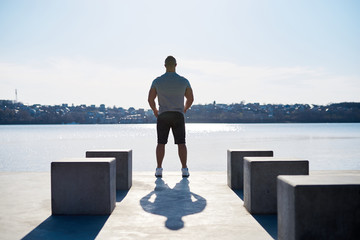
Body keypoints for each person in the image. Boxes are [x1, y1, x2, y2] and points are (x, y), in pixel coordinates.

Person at [148, 56, 194, 178]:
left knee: (161, 143)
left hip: (163, 115)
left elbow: (150, 99)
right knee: (181, 143)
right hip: (178, 114)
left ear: (165, 66)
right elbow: (190, 98)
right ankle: (184, 169)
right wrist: (184, 109)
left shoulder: (157, 81)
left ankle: (159, 169)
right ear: (176, 65)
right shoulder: (183, 81)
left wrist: (154, 110)